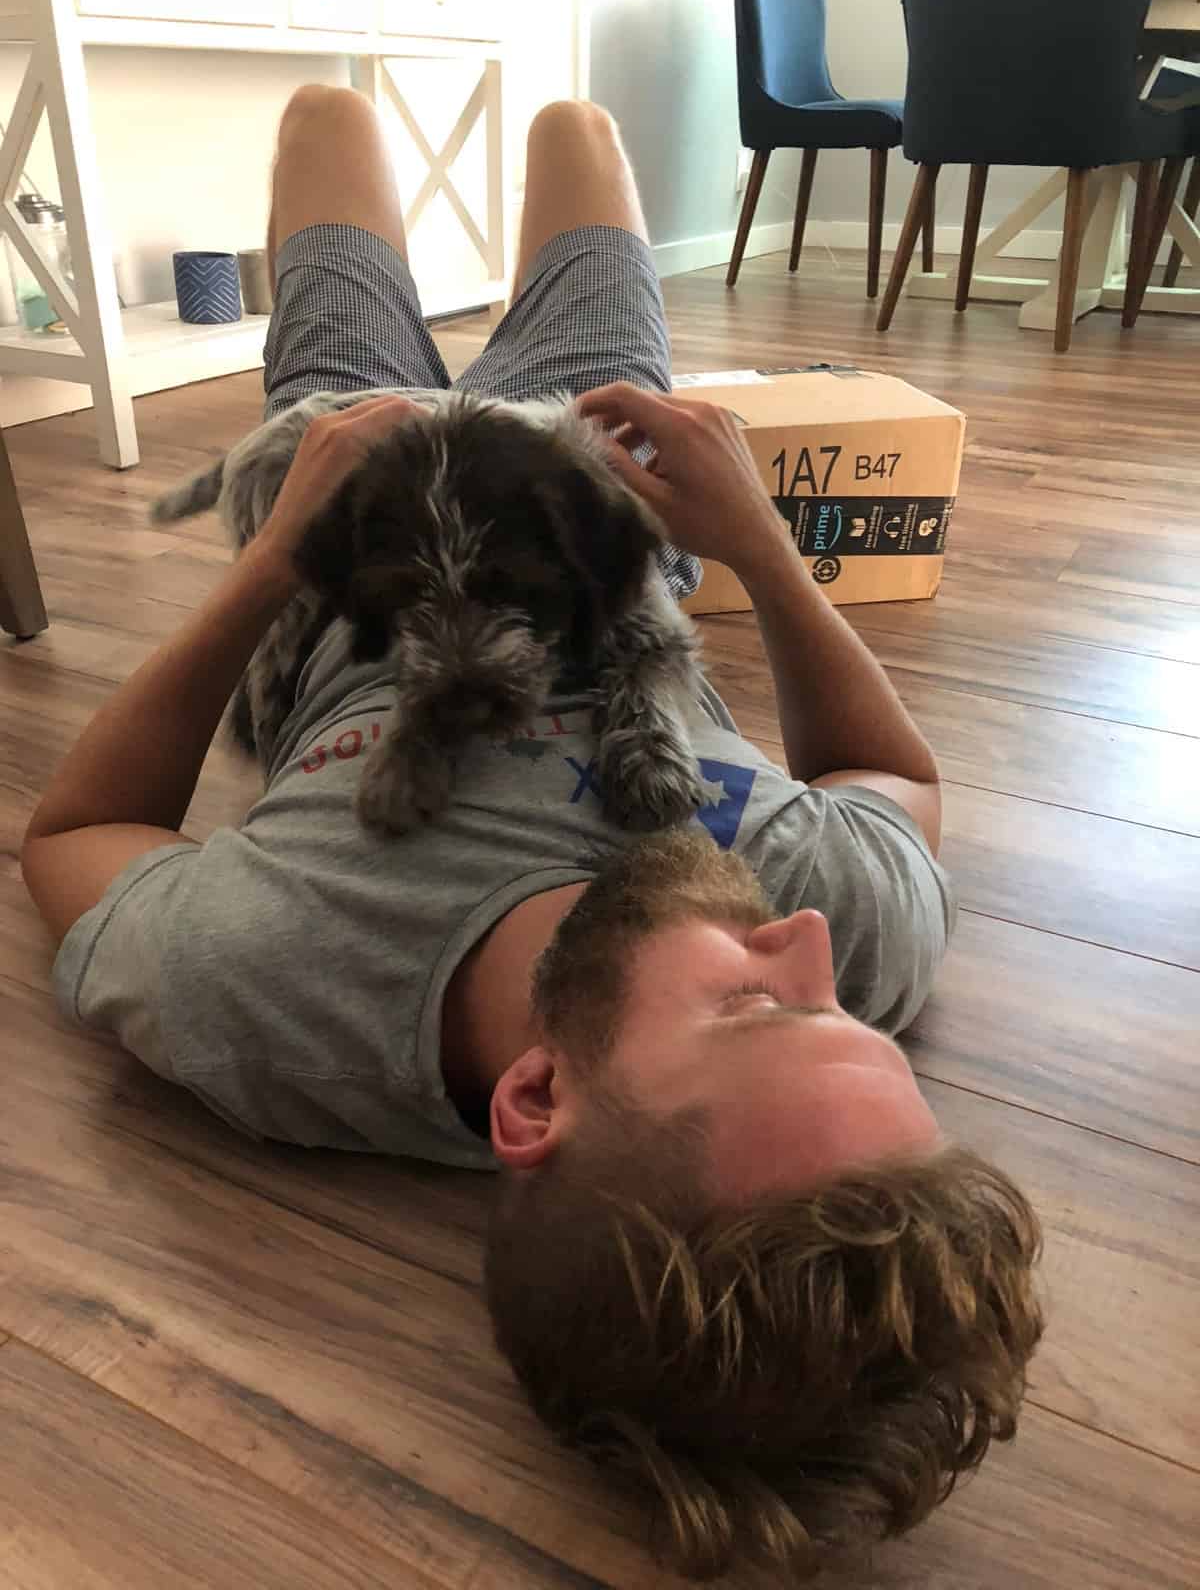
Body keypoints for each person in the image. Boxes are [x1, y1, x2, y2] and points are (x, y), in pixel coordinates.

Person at [21, 90, 1043, 1582]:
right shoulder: (829, 938)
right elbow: (892, 781)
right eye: (857, 1013)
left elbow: (84, 825)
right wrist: (754, 541)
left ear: (537, 1100)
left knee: (316, 116)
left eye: (760, 1006)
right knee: (578, 126)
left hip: (349, 472)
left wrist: (282, 551)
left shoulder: (269, 982)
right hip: (603, 476)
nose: (810, 937)